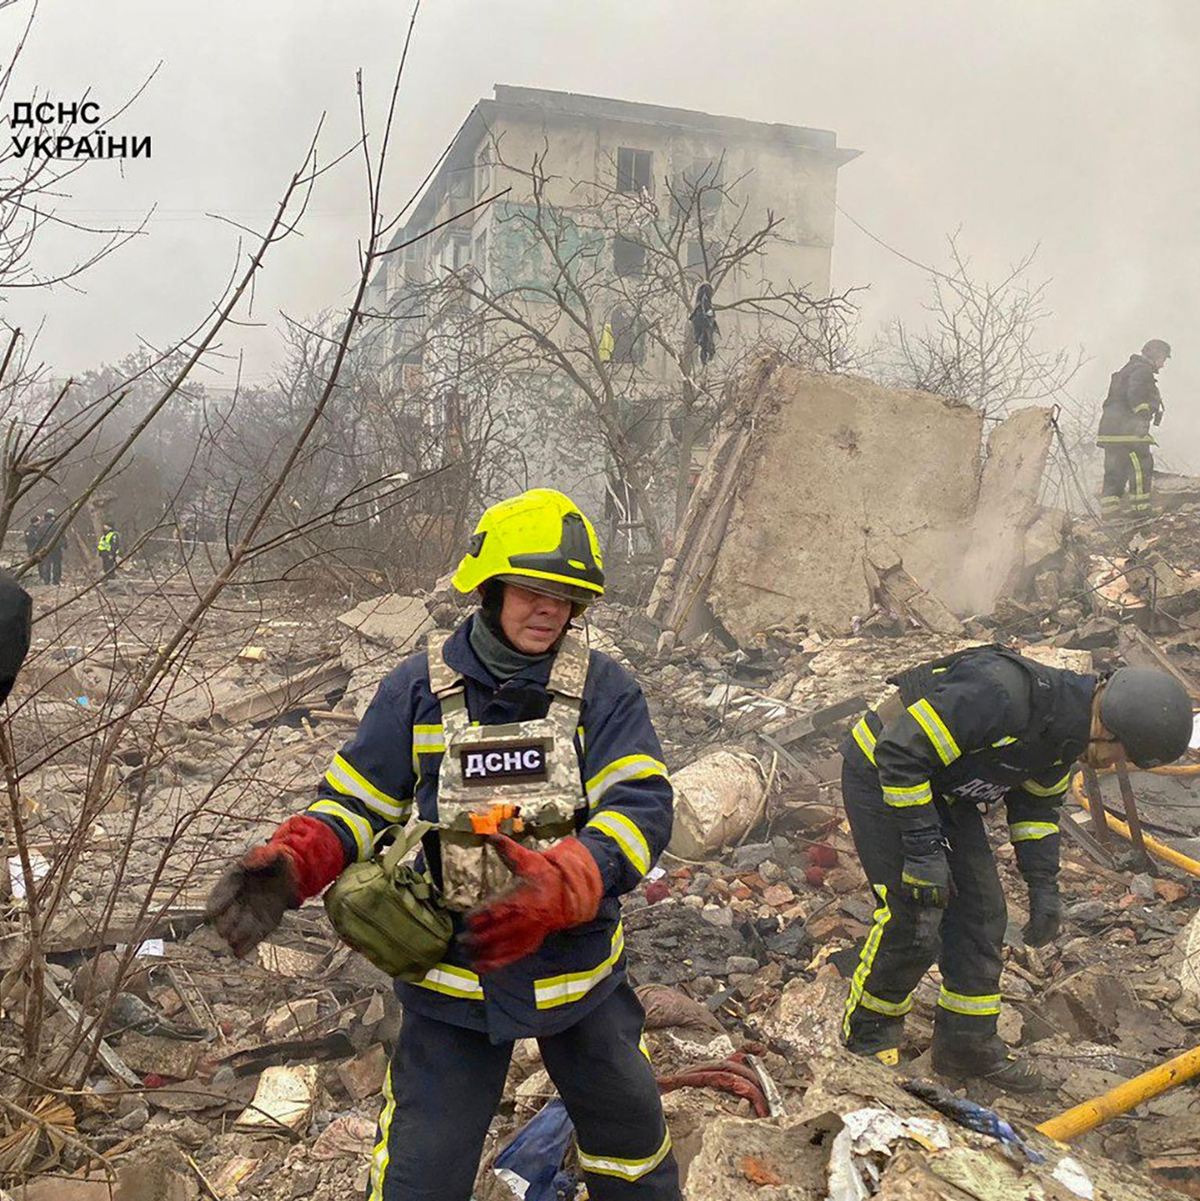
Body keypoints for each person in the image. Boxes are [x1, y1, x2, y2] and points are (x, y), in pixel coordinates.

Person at [207, 488, 679, 1201]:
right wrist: (296, 859)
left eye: (568, 596)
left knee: (631, 1151)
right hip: (453, 981)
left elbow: (640, 804)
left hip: (579, 975)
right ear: (488, 587)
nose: (550, 609)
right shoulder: (418, 688)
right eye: (533, 590)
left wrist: (572, 877)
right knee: (420, 1176)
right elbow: (356, 801)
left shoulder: (604, 691)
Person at [839, 644, 1191, 1092]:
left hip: (942, 790)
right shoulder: (1002, 694)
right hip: (884, 773)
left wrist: (1044, 886)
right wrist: (924, 851)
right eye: (1121, 753)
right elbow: (901, 753)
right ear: (1109, 724)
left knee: (983, 915)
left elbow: (1036, 811)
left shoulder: (1064, 738)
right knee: (914, 911)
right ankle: (868, 1042)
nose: (1112, 764)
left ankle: (966, 1045)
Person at [1097, 338, 1171, 519]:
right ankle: (1141, 511)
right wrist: (1142, 418)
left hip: (1111, 433)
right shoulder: (1142, 371)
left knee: (1115, 471)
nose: (1162, 365)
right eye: (1163, 359)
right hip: (1128, 434)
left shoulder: (1127, 370)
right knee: (1141, 467)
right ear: (1155, 355)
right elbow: (1135, 394)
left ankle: (1110, 513)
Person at [40, 508, 63, 586]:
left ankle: (47, 580)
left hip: (45, 547)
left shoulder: (41, 527)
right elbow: (62, 535)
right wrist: (63, 544)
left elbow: (39, 538)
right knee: (57, 564)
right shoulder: (57, 525)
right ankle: (56, 580)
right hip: (56, 547)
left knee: (47, 563)